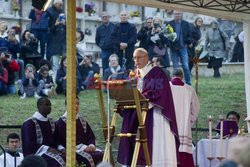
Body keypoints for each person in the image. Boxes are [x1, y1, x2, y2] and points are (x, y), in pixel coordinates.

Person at [117, 48, 179, 166]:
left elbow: (161, 92)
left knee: (154, 147)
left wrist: (142, 98)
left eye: (139, 57)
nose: (136, 60)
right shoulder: (134, 74)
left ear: (146, 58)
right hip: (136, 114)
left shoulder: (157, 72)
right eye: (134, 58)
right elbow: (130, 93)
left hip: (154, 114)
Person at [55, 96, 103, 166]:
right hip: (73, 151)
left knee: (103, 155)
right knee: (88, 159)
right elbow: (65, 141)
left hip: (88, 149)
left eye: (77, 103)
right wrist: (84, 148)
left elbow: (90, 136)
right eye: (73, 104)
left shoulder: (82, 120)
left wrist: (91, 145)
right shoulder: (61, 122)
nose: (76, 106)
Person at [21, 97, 66, 167]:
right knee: (58, 161)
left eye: (50, 105)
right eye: (47, 104)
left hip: (53, 152)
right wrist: (48, 148)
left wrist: (61, 149)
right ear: (39, 106)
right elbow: (29, 144)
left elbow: (57, 140)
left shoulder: (52, 122)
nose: (49, 107)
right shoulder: (29, 123)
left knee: (70, 158)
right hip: (36, 155)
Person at [170, 68, 200, 167]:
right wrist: (189, 122)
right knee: (183, 153)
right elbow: (195, 110)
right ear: (182, 77)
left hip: (169, 127)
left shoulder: (167, 88)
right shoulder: (189, 89)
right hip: (184, 129)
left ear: (171, 76)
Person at [168, 11, 192, 85]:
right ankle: (176, 83)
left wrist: (189, 42)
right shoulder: (169, 24)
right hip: (173, 48)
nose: (177, 15)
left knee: (186, 66)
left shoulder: (186, 24)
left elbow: (189, 35)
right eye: (175, 14)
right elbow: (167, 36)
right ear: (173, 15)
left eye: (178, 13)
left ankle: (188, 83)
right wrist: (171, 45)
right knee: (175, 67)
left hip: (183, 48)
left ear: (181, 14)